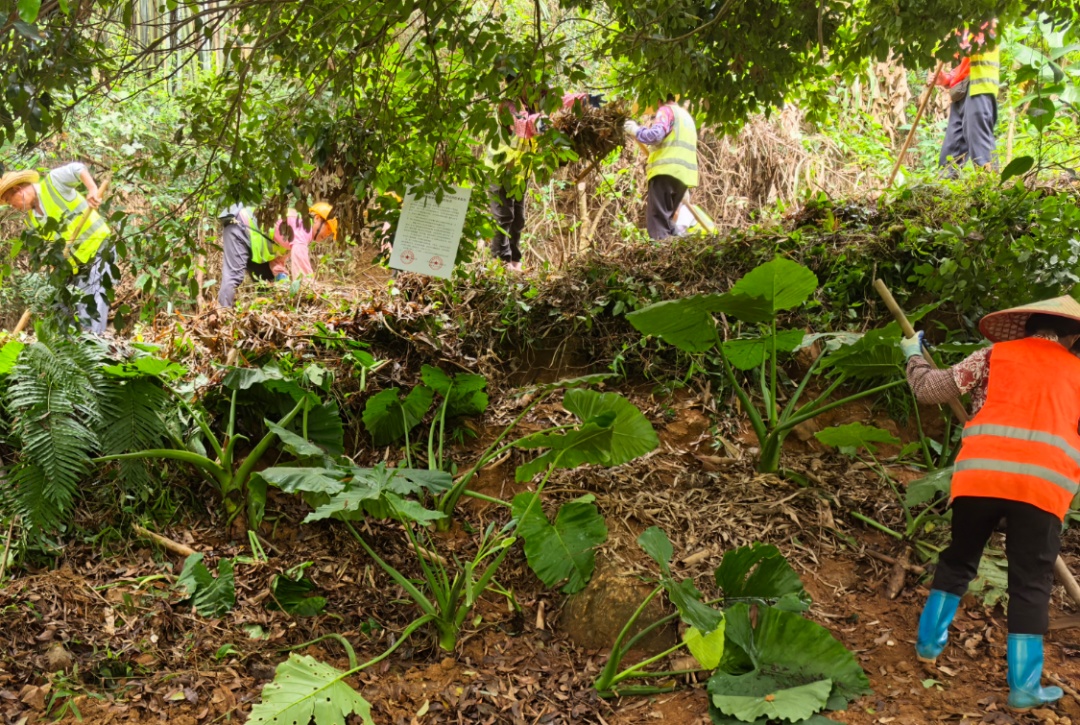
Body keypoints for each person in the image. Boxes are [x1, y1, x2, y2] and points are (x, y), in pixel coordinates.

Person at [901, 296, 1080, 710]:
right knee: (1030, 583)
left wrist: (913, 355)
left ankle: (928, 646)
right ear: (1071, 337)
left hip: (980, 477)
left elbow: (929, 390)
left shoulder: (993, 355)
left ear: (1027, 327)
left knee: (958, 560)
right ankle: (1024, 689)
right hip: (1042, 489)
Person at [0, 164, 113, 333]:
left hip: (98, 247)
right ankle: (71, 345)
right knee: (61, 305)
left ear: (18, 189)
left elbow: (77, 168)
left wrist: (92, 189)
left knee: (91, 299)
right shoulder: (31, 219)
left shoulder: (53, 182)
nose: (12, 206)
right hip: (73, 262)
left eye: (10, 200)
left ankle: (94, 343)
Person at [487, 76, 545, 273]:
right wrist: (543, 124)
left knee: (518, 218)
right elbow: (521, 125)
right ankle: (501, 262)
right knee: (504, 216)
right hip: (501, 170)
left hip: (520, 174)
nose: (533, 86)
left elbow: (561, 98)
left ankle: (514, 261)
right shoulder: (508, 105)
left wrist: (586, 99)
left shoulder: (535, 102)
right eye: (530, 83)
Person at [625, 95, 699, 240]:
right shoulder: (685, 116)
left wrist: (635, 130)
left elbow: (655, 136)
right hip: (683, 175)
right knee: (667, 221)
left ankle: (659, 250)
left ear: (658, 100)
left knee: (658, 221)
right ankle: (674, 245)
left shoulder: (666, 110)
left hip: (666, 170)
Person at [936, 19, 1000, 174]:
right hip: (962, 91)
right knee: (951, 148)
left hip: (979, 87)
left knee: (979, 142)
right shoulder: (962, 26)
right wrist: (946, 79)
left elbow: (974, 48)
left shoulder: (986, 21)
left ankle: (990, 182)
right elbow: (963, 65)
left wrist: (950, 44)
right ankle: (944, 184)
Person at [216, 204, 278, 308]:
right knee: (233, 276)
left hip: (256, 243)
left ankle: (266, 311)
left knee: (266, 279)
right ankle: (223, 312)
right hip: (239, 227)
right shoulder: (298, 226)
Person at [270, 202, 337, 281]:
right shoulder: (304, 230)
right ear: (317, 218)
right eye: (328, 228)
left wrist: (281, 275)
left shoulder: (299, 228)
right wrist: (309, 284)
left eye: (330, 232)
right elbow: (301, 266)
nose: (327, 234)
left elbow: (278, 259)